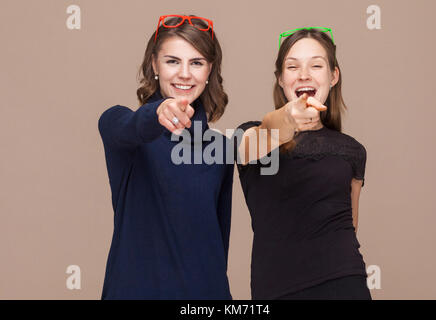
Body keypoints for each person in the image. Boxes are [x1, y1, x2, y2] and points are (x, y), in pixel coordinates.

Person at [98, 14, 233, 299]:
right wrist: (157, 113)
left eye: (196, 63)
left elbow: (218, 245)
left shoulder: (220, 149)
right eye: (173, 61)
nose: (185, 73)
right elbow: (127, 127)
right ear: (154, 65)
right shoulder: (123, 130)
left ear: (209, 71)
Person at [235, 27, 371, 300]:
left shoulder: (353, 150)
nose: (304, 74)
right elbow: (258, 139)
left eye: (316, 65)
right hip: (277, 288)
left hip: (345, 282)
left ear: (333, 76)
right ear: (281, 80)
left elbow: (350, 227)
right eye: (292, 66)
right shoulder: (252, 135)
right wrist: (290, 116)